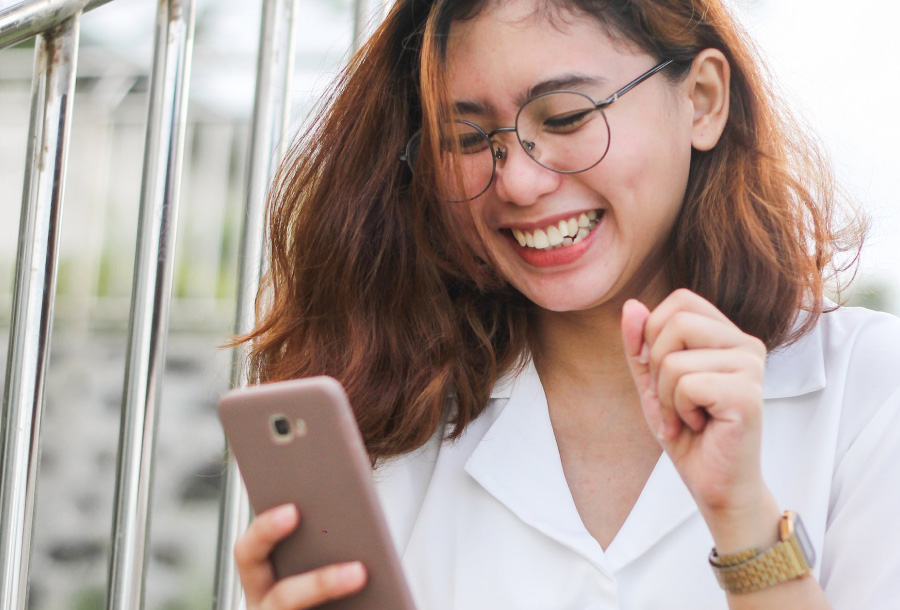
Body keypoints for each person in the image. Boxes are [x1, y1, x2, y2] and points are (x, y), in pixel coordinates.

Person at [231, 0, 900, 608]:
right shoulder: (385, 421)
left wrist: (747, 524)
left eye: (568, 117)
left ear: (701, 99)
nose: (518, 181)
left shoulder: (870, 389)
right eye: (468, 139)